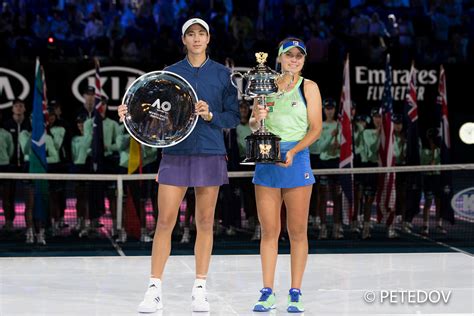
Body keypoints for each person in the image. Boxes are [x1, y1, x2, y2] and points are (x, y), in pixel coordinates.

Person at [118, 18, 239, 313]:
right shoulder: (170, 74)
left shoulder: (223, 75)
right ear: (183, 40)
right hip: (175, 154)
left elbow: (233, 117)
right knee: (164, 221)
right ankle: (154, 289)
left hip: (210, 152)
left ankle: (200, 288)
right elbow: (155, 117)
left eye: (201, 34)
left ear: (208, 39)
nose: (196, 39)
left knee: (206, 222)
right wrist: (130, 114)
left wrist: (212, 116)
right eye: (191, 34)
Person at [250, 37, 322, 313]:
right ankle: (267, 291)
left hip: (297, 158)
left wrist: (293, 153)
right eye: (289, 55)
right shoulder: (265, 85)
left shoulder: (310, 87)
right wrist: (256, 117)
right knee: (269, 231)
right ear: (279, 58)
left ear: (303, 60)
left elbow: (316, 129)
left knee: (297, 231)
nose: (294, 60)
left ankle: (295, 292)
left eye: (299, 56)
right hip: (267, 159)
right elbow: (256, 124)